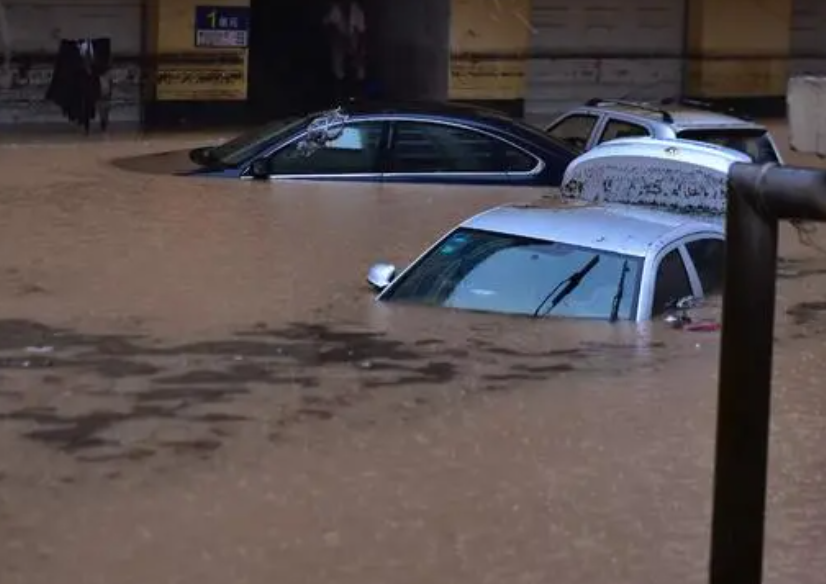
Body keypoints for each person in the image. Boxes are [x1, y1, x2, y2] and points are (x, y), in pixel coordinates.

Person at [322, 0, 366, 101]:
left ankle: (356, 97)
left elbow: (362, 33)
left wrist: (357, 49)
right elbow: (326, 25)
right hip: (339, 42)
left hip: (354, 42)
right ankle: (339, 97)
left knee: (358, 69)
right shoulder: (335, 9)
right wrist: (336, 36)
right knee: (339, 70)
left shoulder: (357, 10)